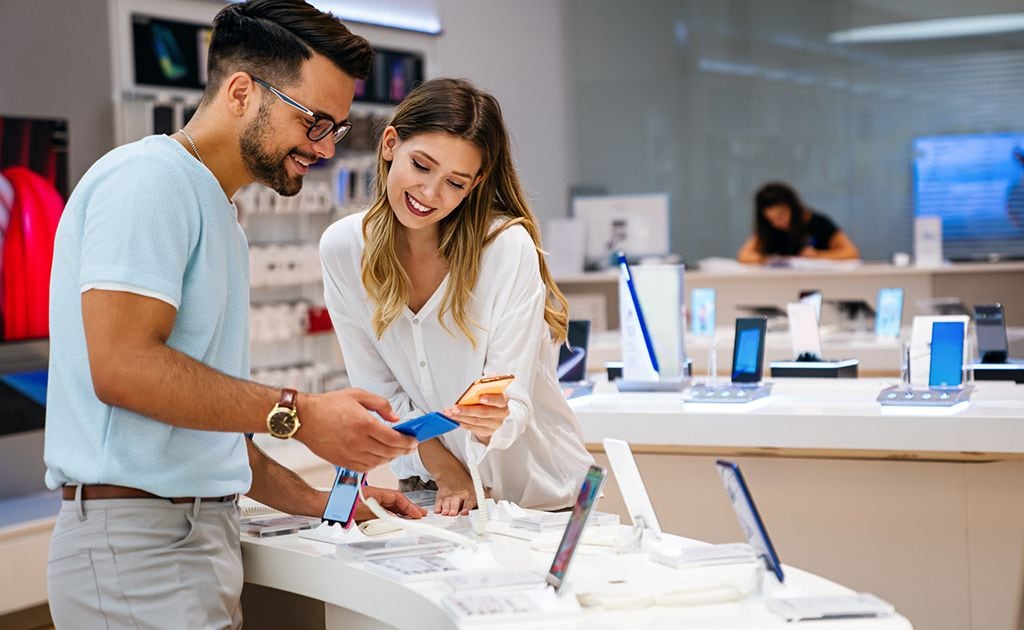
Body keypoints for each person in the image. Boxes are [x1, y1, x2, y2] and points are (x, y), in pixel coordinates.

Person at [43, 2, 424, 628]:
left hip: (189, 538)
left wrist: (326, 501)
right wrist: (300, 416)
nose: (324, 149)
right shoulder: (150, 180)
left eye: (336, 130)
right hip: (137, 544)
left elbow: (207, 435)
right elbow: (123, 367)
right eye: (316, 123)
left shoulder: (218, 212)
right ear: (242, 91)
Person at [320, 78, 594, 515]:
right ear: (391, 144)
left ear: (476, 183)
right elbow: (378, 394)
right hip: (432, 491)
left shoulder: (505, 247)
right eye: (422, 166)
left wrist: (492, 420)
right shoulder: (343, 249)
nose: (430, 194)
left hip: (537, 499)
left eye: (455, 182)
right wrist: (445, 469)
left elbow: (513, 403)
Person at [737, 182, 860, 263]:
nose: (778, 223)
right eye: (772, 220)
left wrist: (818, 255)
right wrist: (767, 260)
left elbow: (851, 253)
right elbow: (744, 255)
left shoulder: (818, 223)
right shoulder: (768, 229)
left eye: (781, 215)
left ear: (792, 208)